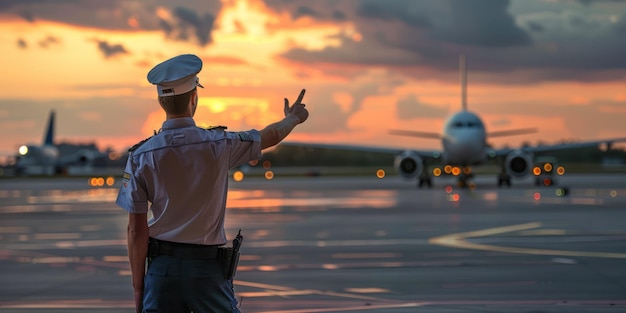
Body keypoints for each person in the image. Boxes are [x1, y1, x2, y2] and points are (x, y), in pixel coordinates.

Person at [115, 54, 309, 313]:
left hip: (162, 271)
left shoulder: (140, 156)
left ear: (161, 101)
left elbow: (136, 231)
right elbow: (269, 136)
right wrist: (293, 117)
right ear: (194, 98)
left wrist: (139, 289)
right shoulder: (219, 144)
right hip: (207, 270)